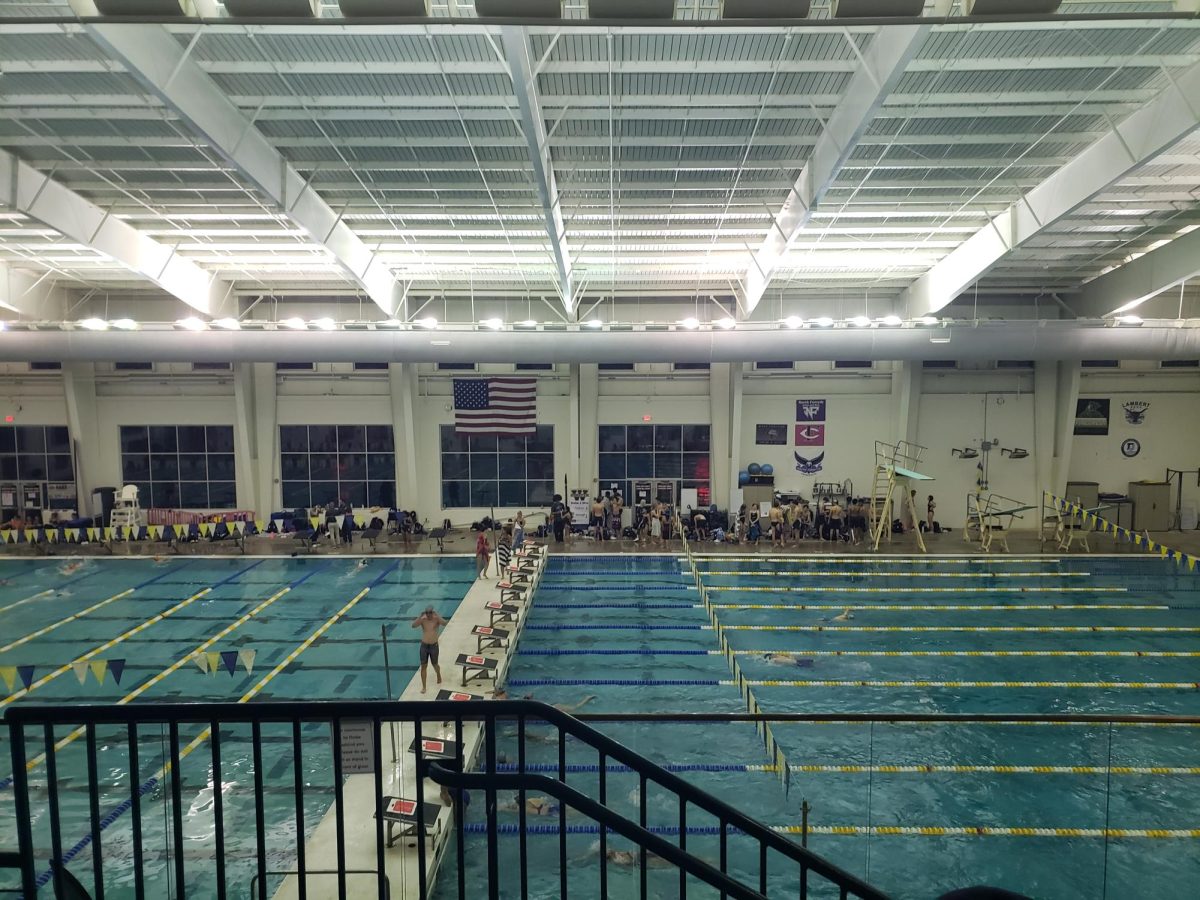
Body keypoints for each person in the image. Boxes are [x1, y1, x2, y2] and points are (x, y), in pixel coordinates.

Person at [410, 606, 447, 694]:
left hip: (434, 646)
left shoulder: (436, 619)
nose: (429, 615)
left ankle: (438, 674)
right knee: (423, 666)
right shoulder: (423, 620)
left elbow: (445, 623)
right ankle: (424, 687)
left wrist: (438, 616)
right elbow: (413, 626)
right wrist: (420, 617)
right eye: (427, 613)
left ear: (433, 612)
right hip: (424, 646)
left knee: (435, 664)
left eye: (430, 612)